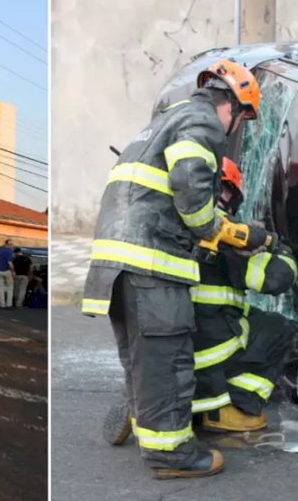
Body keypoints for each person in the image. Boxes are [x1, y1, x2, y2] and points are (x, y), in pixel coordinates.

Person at [82, 59, 262, 479]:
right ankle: (171, 455)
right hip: (152, 263)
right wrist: (214, 228)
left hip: (116, 265)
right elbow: (190, 185)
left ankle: (153, 433)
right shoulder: (203, 122)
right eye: (244, 119)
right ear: (233, 107)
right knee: (167, 360)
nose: (238, 128)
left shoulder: (161, 122)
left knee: (142, 362)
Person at [103, 158, 298, 446]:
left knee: (168, 358)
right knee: (280, 328)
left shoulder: (157, 226)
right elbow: (274, 279)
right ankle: (227, 408)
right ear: (226, 192)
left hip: (160, 346)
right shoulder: (222, 231)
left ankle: (146, 405)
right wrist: (279, 247)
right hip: (208, 352)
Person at [0, 238, 16, 307]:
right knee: (10, 288)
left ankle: (2, 304)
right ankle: (9, 304)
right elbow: (9, 262)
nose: (11, 246)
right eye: (10, 244)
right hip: (7, 271)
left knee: (0, 288)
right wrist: (13, 271)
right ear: (7, 244)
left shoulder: (0, 252)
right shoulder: (9, 252)